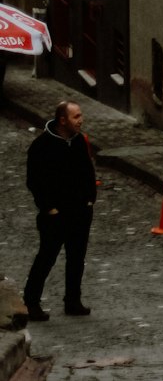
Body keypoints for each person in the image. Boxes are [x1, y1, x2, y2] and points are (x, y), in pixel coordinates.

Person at [23, 99, 97, 321]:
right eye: (76, 117)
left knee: (76, 258)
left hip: (80, 211)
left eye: (81, 116)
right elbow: (34, 181)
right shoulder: (41, 146)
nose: (81, 121)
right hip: (55, 215)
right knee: (46, 257)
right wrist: (49, 208)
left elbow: (87, 171)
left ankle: (73, 301)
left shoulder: (78, 142)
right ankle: (31, 302)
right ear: (62, 120)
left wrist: (90, 200)